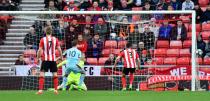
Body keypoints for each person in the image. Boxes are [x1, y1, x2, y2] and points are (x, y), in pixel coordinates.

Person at [36, 26, 63, 95]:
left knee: (42, 74)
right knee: (55, 74)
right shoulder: (55, 39)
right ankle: (56, 90)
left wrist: (38, 57)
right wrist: (61, 56)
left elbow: (39, 50)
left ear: (45, 32)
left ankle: (40, 90)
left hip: (45, 59)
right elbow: (59, 49)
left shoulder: (43, 39)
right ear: (51, 32)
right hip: (53, 60)